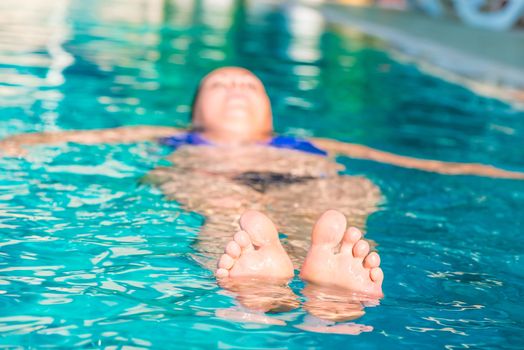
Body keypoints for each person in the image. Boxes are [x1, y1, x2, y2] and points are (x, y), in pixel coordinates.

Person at [1, 67, 523, 325]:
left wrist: (493, 172)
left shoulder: (312, 144)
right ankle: (276, 281)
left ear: (271, 114)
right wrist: (19, 141)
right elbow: (82, 139)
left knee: (334, 204)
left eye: (248, 86)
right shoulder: (176, 137)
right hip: (216, 179)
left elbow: (421, 165)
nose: (235, 89)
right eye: (221, 85)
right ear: (195, 113)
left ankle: (316, 279)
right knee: (227, 210)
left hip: (311, 180)